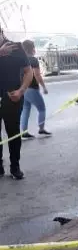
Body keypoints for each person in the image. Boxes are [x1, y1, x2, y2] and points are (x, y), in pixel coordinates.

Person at [0, 25, 33, 180]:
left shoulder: (16, 48)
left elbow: (29, 72)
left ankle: (15, 166)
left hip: (12, 97)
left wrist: (21, 91)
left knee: (13, 133)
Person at [20, 40, 51, 140]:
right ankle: (41, 129)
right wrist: (44, 87)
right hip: (32, 88)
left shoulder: (21, 59)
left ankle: (24, 132)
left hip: (23, 88)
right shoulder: (33, 60)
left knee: (25, 110)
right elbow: (37, 75)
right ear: (32, 48)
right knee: (42, 108)